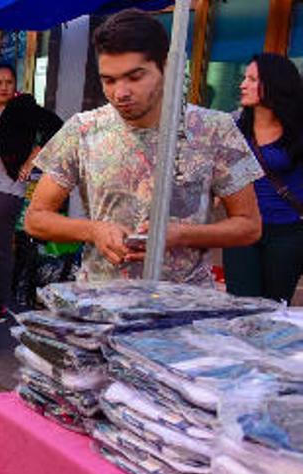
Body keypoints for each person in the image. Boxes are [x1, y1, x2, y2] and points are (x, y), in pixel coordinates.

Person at [26, 9, 263, 288]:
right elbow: (36, 218)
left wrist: (181, 235)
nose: (120, 93)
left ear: (166, 67)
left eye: (135, 77)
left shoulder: (215, 130)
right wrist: (93, 230)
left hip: (184, 307)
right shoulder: (82, 130)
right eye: (109, 80)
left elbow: (249, 226)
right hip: (102, 304)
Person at [0, 63, 63, 324]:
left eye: (9, 82)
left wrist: (33, 158)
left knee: (1, 247)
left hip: (6, 186)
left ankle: (0, 304)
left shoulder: (23, 109)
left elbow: (57, 127)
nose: (4, 87)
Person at [224, 53, 303, 303]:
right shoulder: (232, 126)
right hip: (242, 228)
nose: (243, 84)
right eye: (244, 78)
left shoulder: (298, 129)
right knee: (240, 305)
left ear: (274, 84)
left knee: (274, 308)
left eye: (252, 79)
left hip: (287, 232)